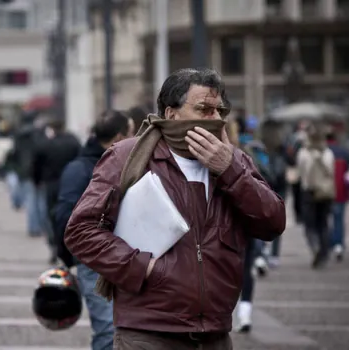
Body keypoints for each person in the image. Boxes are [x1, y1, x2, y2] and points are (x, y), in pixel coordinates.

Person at [64, 68, 286, 349]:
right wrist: (144, 268)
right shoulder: (127, 156)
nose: (216, 118)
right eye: (204, 109)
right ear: (171, 113)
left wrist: (230, 171)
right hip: (148, 332)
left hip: (215, 334)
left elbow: (273, 222)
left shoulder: (235, 160)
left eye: (220, 110)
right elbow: (81, 231)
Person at [54, 110, 132, 350]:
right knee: (108, 331)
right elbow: (64, 217)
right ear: (119, 137)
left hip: (129, 257)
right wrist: (69, 257)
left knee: (127, 330)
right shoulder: (80, 169)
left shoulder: (128, 164)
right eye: (131, 133)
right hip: (94, 261)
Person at [34, 118, 81, 264]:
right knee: (69, 214)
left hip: (51, 184)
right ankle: (67, 244)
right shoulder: (74, 142)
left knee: (50, 216)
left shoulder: (46, 144)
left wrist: (37, 180)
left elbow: (37, 164)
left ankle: (54, 243)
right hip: (71, 183)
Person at [297, 124, 335, 268]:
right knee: (323, 223)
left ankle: (315, 247)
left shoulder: (303, 153)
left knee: (309, 225)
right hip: (325, 192)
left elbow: (300, 173)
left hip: (309, 192)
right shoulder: (328, 153)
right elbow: (331, 172)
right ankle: (324, 253)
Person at [326, 131, 349, 261]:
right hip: (341, 191)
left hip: (324, 192)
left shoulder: (323, 152)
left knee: (325, 219)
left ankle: (328, 243)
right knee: (339, 219)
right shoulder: (344, 152)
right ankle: (338, 244)